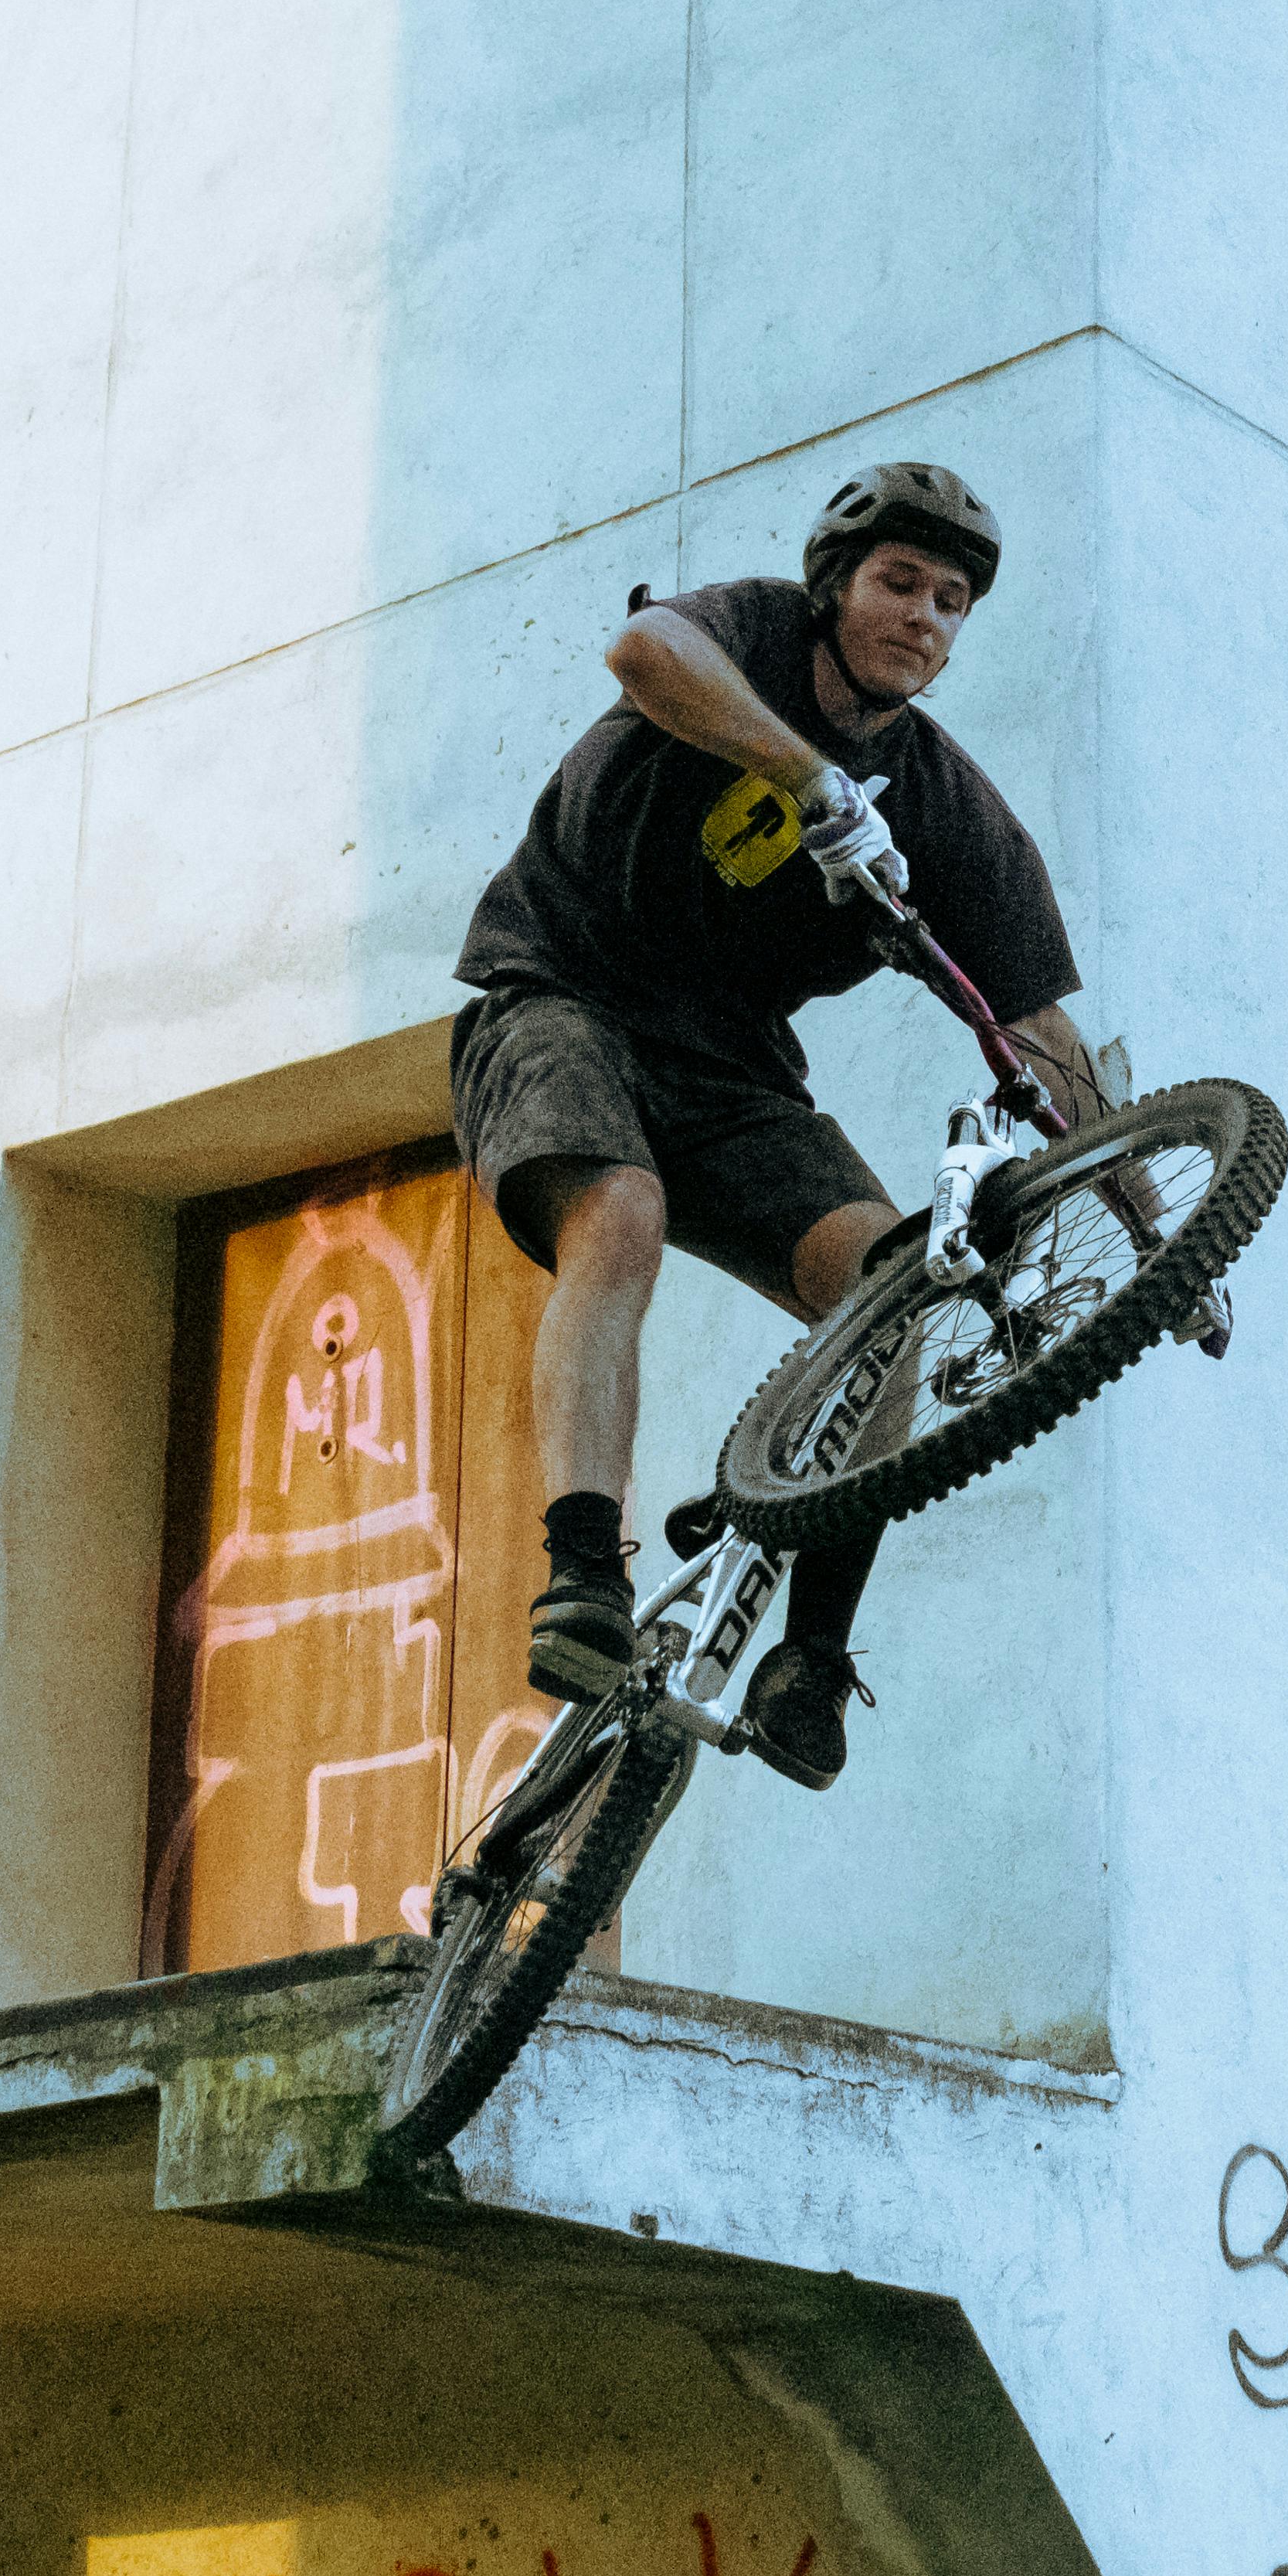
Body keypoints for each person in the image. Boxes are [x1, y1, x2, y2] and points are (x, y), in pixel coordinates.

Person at [444, 462, 1113, 1792]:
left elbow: (1039, 1029)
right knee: (617, 1210)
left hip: (732, 1070)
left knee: (892, 1290)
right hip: (560, 987)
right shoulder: (748, 632)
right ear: (834, 587)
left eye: (955, 602)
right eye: (900, 583)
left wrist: (1156, 1215)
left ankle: (809, 1657)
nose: (927, 615)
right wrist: (808, 776)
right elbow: (643, 648)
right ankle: (582, 1571)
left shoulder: (950, 808)